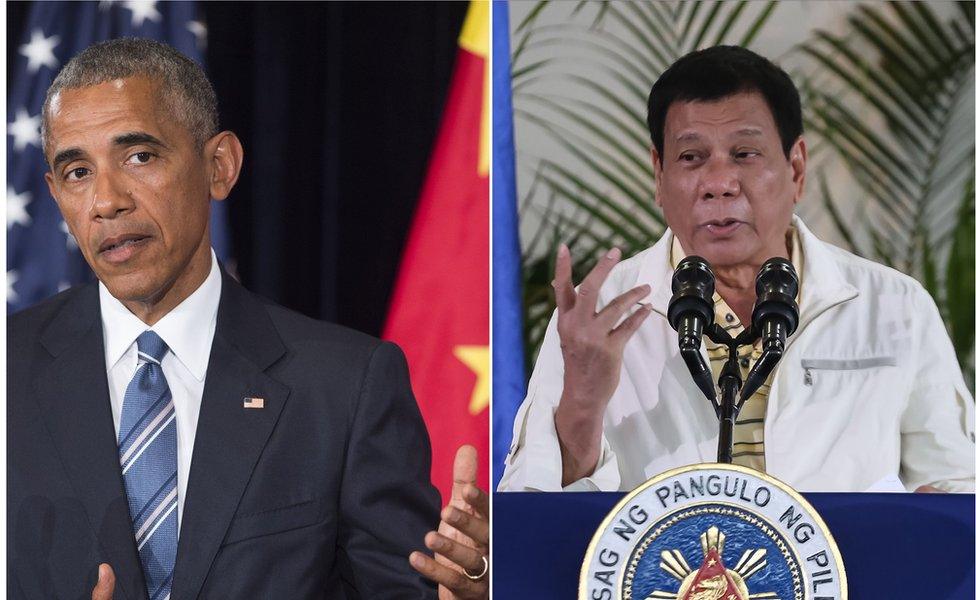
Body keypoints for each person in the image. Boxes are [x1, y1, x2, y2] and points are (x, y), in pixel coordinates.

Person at [8, 38, 488, 600]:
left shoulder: (345, 387)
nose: (106, 201)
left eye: (139, 156)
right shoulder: (6, 374)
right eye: (77, 171)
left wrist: (464, 593)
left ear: (219, 167)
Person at [499, 45, 975, 494]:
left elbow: (956, 491)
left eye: (745, 154)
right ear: (658, 177)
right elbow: (535, 512)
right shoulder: (597, 316)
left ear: (796, 168)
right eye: (691, 157)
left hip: (858, 580)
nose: (719, 184)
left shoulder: (893, 306)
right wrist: (583, 399)